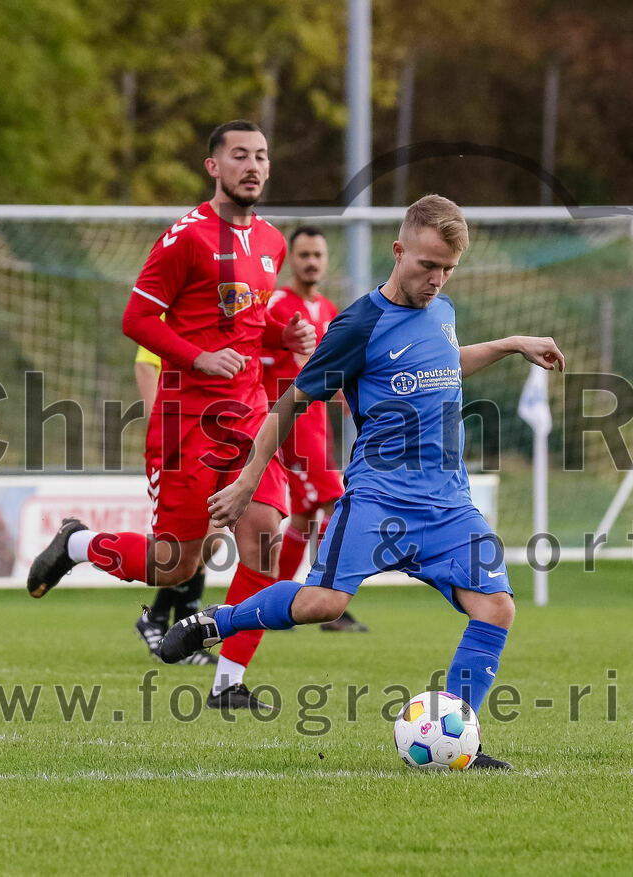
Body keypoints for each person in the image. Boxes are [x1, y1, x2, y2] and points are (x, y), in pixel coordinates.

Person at [159, 195, 566, 769]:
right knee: (324, 603)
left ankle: (458, 744)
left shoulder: (443, 311)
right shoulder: (358, 325)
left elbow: (445, 363)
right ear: (399, 251)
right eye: (427, 265)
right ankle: (212, 623)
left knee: (496, 608)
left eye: (448, 269)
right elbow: (291, 402)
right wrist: (250, 480)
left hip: (449, 504)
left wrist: (508, 345)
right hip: (380, 497)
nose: (436, 279)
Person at [27, 120, 316, 710]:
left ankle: (227, 686)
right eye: (239, 156)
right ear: (213, 166)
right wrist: (198, 356)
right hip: (185, 423)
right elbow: (136, 321)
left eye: (261, 156)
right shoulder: (183, 239)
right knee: (172, 563)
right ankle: (77, 544)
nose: (253, 166)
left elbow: (250, 329)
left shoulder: (271, 242)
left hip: (250, 418)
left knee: (265, 549)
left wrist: (286, 336)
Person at [264, 226, 368, 633]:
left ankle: (279, 601)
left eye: (317, 256)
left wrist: (343, 394)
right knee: (334, 500)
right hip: (288, 419)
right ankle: (326, 602)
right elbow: (260, 356)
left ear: (325, 261)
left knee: (306, 515)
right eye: (304, 254)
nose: (311, 262)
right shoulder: (276, 304)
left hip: (317, 420)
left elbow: (332, 363)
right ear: (291, 259)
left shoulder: (326, 308)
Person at [132, 343, 215, 664]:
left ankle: (161, 621)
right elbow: (144, 364)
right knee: (182, 548)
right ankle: (176, 634)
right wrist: (164, 428)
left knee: (212, 539)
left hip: (210, 436)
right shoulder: (173, 311)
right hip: (178, 442)